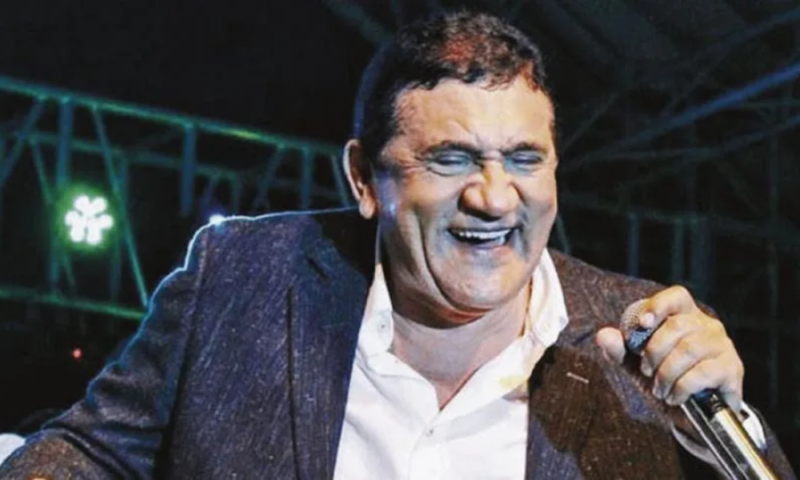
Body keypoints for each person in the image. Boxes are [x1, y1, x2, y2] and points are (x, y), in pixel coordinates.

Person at [0, 10, 795, 479]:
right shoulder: (242, 277)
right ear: (363, 178)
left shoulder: (645, 339)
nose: (494, 197)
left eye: (525, 160)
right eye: (451, 160)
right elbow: (85, 453)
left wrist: (727, 433)